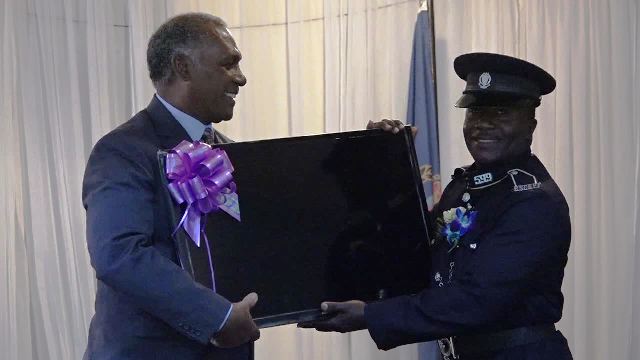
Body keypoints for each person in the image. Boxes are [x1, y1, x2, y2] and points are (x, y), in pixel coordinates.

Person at [299, 52, 573, 360]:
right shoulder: (467, 187)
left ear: (530, 124)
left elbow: (477, 300)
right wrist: (390, 161)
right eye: (475, 113)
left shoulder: (533, 202)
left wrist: (371, 316)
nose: (482, 125)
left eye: (500, 113)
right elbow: (417, 257)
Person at [82, 13, 259, 359]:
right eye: (229, 64)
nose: (241, 78)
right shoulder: (121, 150)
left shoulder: (231, 152)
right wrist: (217, 317)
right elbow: (119, 254)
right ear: (183, 67)